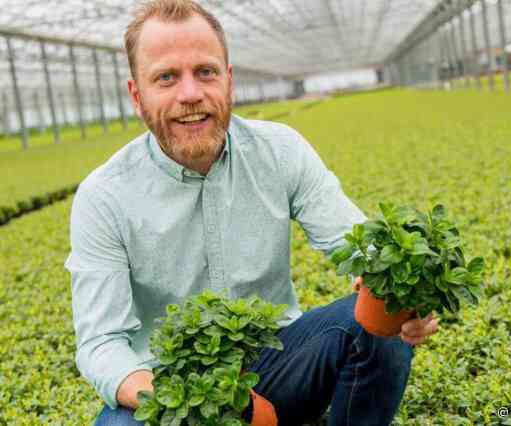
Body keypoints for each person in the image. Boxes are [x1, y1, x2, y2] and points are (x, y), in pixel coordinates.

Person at [64, 1, 439, 425]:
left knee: (377, 324)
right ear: (137, 96)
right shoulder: (104, 196)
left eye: (205, 72)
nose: (190, 94)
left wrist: (404, 295)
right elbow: (102, 342)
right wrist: (198, 401)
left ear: (229, 81)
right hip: (170, 382)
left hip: (280, 362)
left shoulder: (280, 150)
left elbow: (355, 241)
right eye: (166, 77)